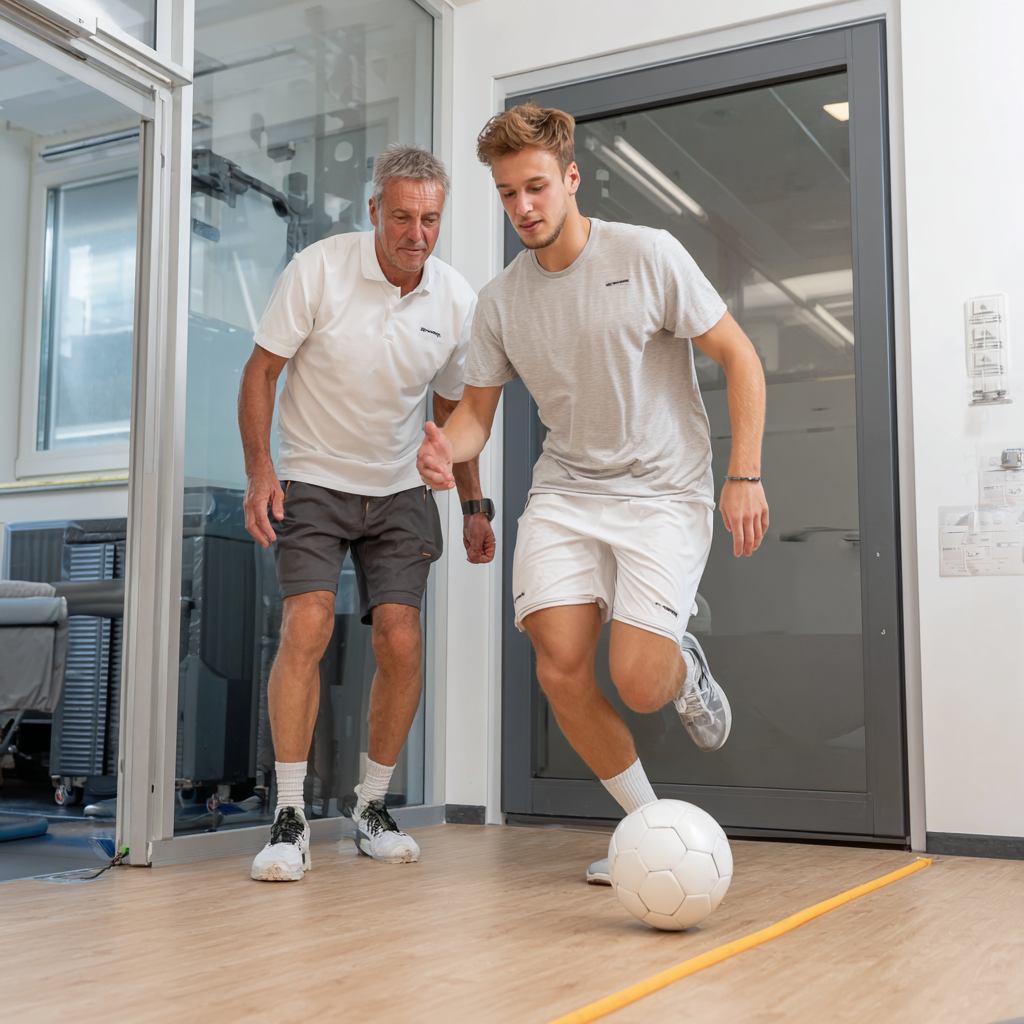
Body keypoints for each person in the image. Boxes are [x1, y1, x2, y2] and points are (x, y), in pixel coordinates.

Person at [417, 104, 768, 883]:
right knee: (559, 664)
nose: (524, 208)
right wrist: (449, 451)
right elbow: (476, 413)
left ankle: (684, 667)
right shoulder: (501, 301)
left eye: (536, 187)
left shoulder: (648, 256)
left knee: (640, 683)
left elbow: (740, 357)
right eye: (508, 195)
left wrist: (743, 474)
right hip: (568, 492)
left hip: (662, 492)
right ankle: (648, 833)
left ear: (571, 179)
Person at [241, 144, 496, 882]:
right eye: (404, 217)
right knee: (309, 622)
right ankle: (289, 816)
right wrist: (261, 470)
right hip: (315, 476)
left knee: (402, 639)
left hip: (400, 486)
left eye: (431, 219)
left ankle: (371, 807)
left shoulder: (453, 299)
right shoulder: (319, 269)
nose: (417, 233)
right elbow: (261, 371)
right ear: (375, 211)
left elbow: (452, 413)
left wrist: (474, 503)